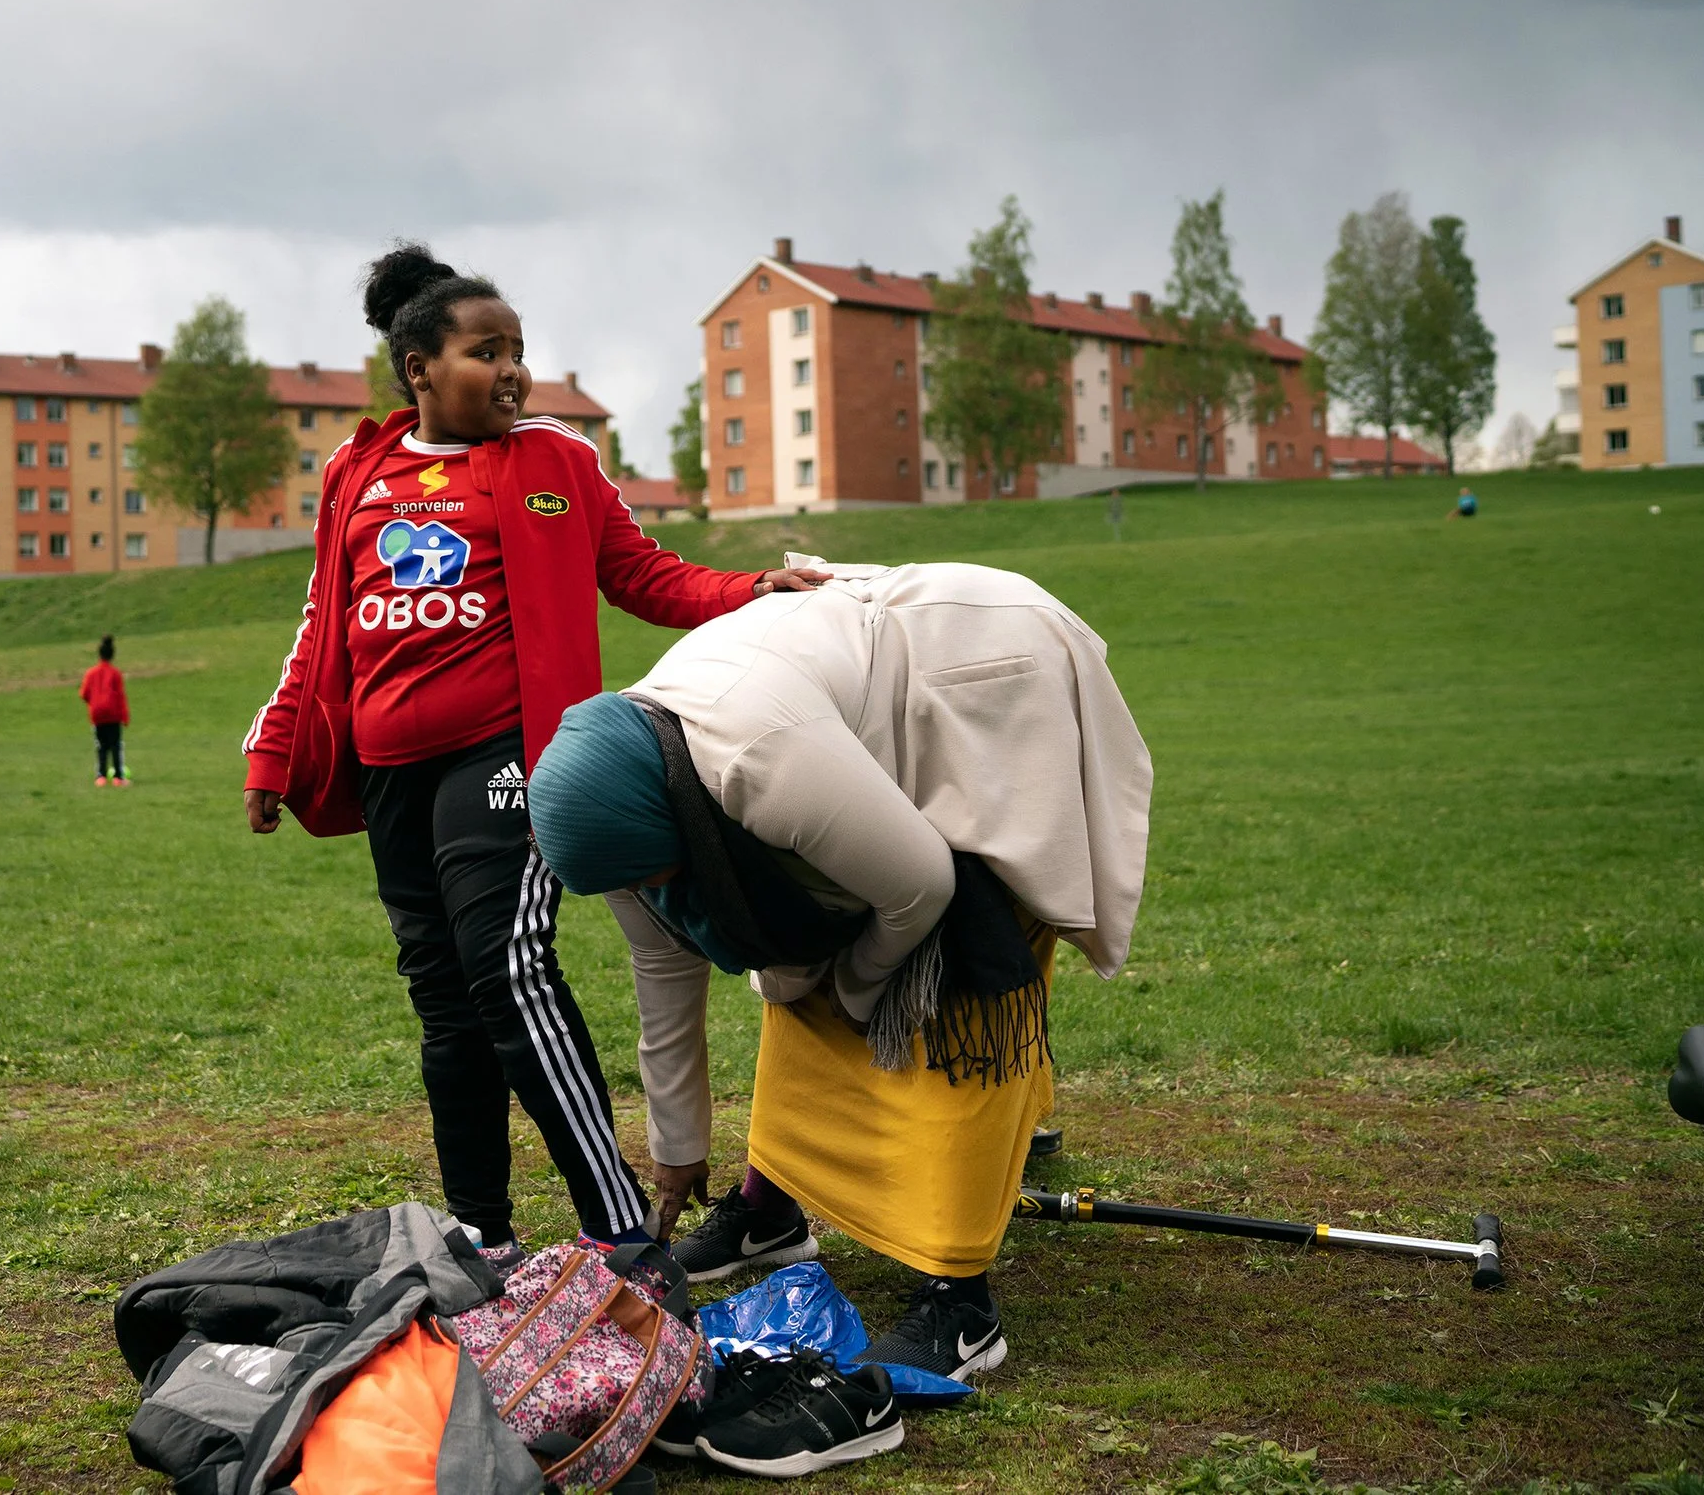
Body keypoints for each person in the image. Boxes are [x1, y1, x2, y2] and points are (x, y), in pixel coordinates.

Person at [243, 243, 824, 1266]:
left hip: (506, 756)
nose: (512, 370)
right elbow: (320, 624)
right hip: (388, 769)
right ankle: (484, 1231)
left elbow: (644, 574)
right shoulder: (356, 471)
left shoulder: (558, 460)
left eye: (519, 351)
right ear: (419, 367)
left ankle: (616, 1236)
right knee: (442, 999)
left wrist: (751, 589)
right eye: (484, 351)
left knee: (506, 968)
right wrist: (274, 747)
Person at [527, 558, 1150, 1466]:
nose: (653, 893)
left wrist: (862, 996)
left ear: (671, 823)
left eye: (657, 876)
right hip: (856, 708)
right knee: (794, 959)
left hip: (987, 677)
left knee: (952, 980)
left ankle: (961, 1300)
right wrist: (675, 1149)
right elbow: (662, 974)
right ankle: (768, 1209)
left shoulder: (753, 756)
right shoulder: (625, 810)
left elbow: (921, 886)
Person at [81, 636, 130, 787]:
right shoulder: (115, 673)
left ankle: (100, 777)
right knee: (115, 746)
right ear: (112, 655)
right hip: (113, 715)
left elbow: (83, 694)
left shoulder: (90, 673)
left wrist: (94, 703)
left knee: (101, 747)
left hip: (97, 715)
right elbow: (120, 696)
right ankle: (118, 778)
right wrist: (125, 716)